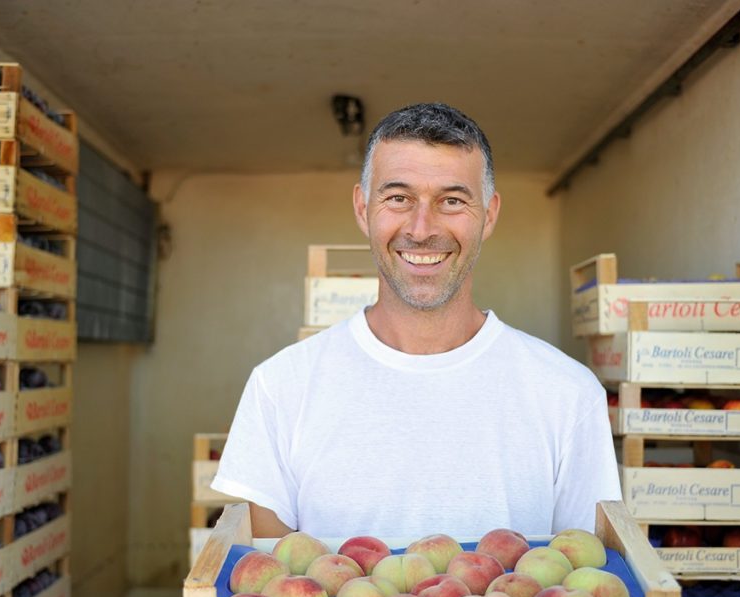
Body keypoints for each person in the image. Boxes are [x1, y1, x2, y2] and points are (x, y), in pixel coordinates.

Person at [212, 102, 620, 543]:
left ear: (490, 214)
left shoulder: (568, 395)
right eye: (399, 198)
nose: (422, 228)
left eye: (451, 200)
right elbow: (269, 587)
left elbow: (584, 581)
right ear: (362, 208)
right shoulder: (281, 388)